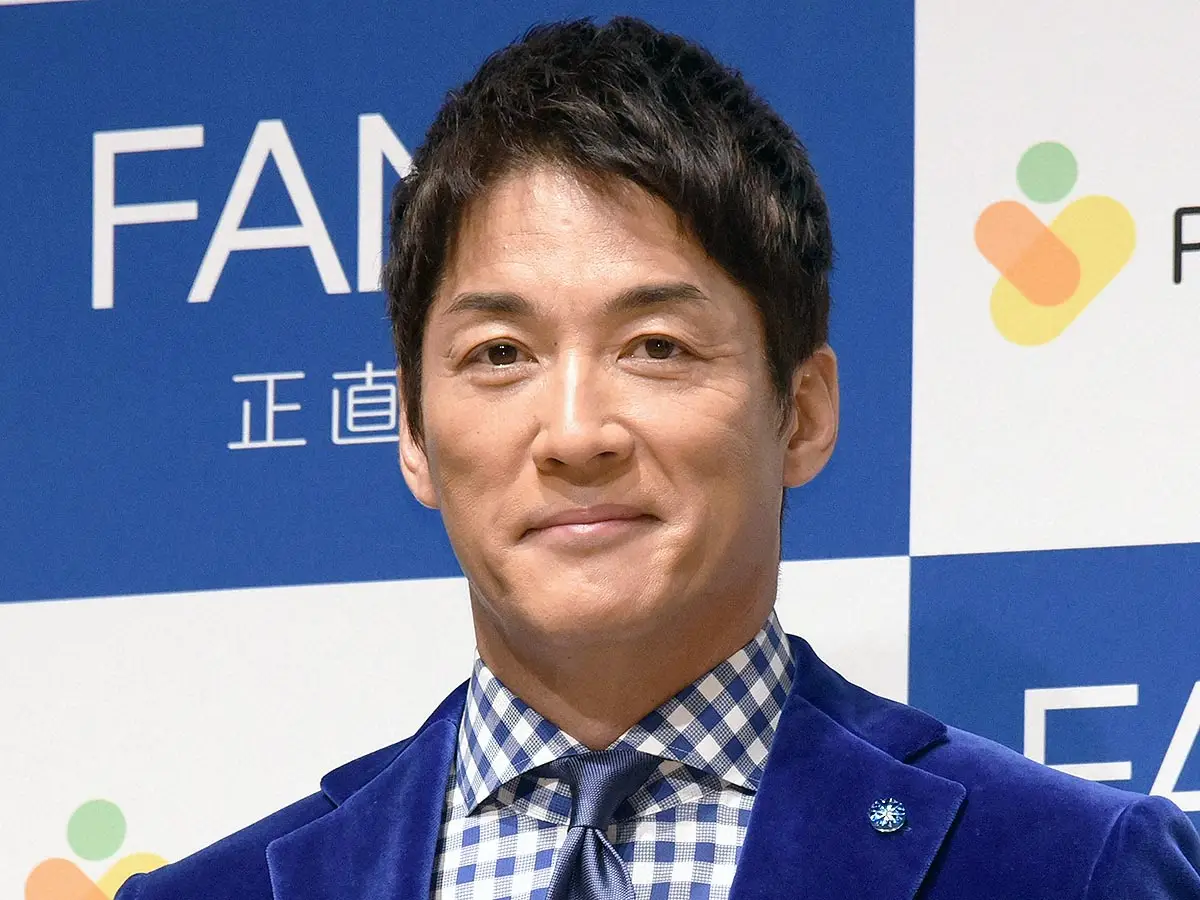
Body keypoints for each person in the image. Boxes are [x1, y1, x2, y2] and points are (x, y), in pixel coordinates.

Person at [117, 16, 1200, 900]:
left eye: (656, 347)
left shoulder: (1068, 867)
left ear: (802, 413)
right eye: (500, 355)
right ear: (411, 431)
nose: (575, 433)